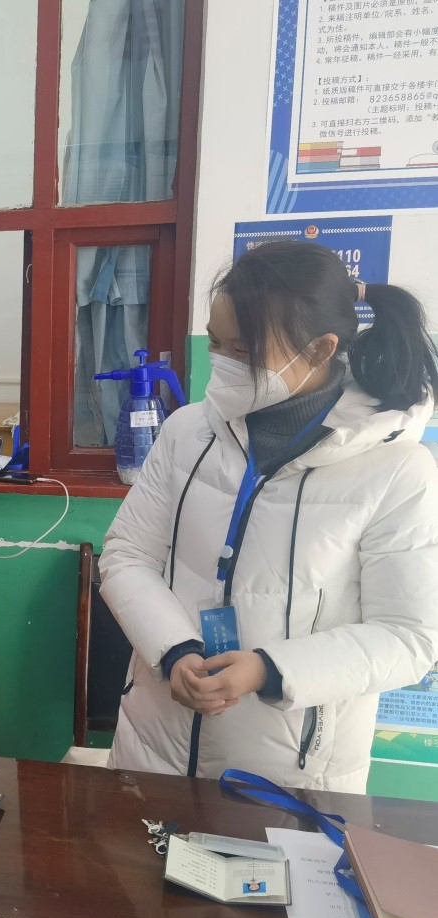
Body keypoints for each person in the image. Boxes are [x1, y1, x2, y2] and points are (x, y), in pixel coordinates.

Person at [100, 240, 438, 793]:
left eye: (244, 349)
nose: (223, 362)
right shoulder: (187, 433)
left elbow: (406, 637)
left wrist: (268, 668)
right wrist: (175, 649)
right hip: (153, 747)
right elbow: (126, 555)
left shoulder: (397, 469)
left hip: (289, 775)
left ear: (321, 349)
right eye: (216, 342)